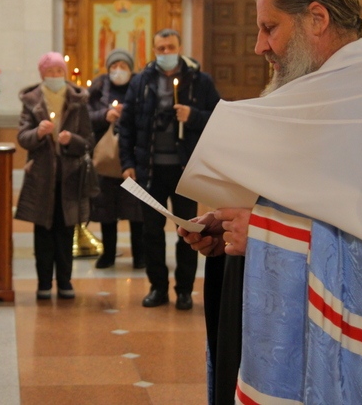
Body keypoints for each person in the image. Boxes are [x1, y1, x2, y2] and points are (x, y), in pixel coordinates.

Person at [178, 0, 362, 404]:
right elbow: (309, 203)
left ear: (317, 18)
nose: (259, 45)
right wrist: (233, 227)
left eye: (270, 28)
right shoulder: (323, 89)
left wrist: (262, 233)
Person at [119, 28, 221, 310]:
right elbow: (126, 125)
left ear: (179, 48)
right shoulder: (141, 82)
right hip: (149, 169)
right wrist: (127, 163)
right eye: (161, 48)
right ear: (154, 50)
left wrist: (193, 115)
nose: (166, 53)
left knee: (188, 230)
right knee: (151, 232)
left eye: (170, 47)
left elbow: (220, 117)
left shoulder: (199, 81)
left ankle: (184, 290)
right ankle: (157, 287)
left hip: (185, 170)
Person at [15, 52, 95, 300]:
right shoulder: (32, 101)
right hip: (42, 177)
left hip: (70, 176)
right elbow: (23, 137)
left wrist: (72, 140)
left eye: (59, 71)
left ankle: (65, 282)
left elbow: (88, 141)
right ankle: (43, 283)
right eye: (50, 72)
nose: (55, 75)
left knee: (65, 231)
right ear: (42, 74)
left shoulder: (78, 101)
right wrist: (38, 133)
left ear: (65, 73)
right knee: (43, 232)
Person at [87, 48, 144, 269]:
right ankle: (108, 254)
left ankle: (140, 255)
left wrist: (127, 113)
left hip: (133, 158)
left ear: (131, 69)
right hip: (106, 159)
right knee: (106, 209)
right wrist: (105, 115)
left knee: (136, 210)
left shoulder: (140, 87)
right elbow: (86, 116)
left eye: (123, 66)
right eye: (114, 66)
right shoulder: (98, 89)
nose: (118, 70)